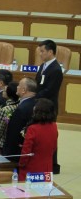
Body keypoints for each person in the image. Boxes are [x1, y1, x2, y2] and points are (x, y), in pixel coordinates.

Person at [35, 39, 63, 174]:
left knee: (50, 135)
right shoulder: (43, 66)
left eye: (42, 51)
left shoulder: (56, 69)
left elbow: (50, 90)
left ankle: (53, 164)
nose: (40, 54)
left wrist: (34, 96)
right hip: (39, 103)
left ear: (50, 52)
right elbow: (37, 83)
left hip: (49, 107)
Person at [19, 99, 58, 180]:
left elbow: (26, 152)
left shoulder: (32, 129)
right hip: (47, 169)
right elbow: (54, 147)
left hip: (32, 169)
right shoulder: (54, 126)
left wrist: (21, 164)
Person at [3, 77, 37, 160]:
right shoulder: (36, 103)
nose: (17, 87)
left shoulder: (21, 109)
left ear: (23, 90)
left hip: (18, 153)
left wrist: (7, 153)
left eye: (19, 85)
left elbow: (13, 134)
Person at [0, 81, 19, 154]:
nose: (3, 92)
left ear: (9, 93)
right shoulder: (18, 105)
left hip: (1, 144)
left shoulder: (5, 110)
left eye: (5, 91)